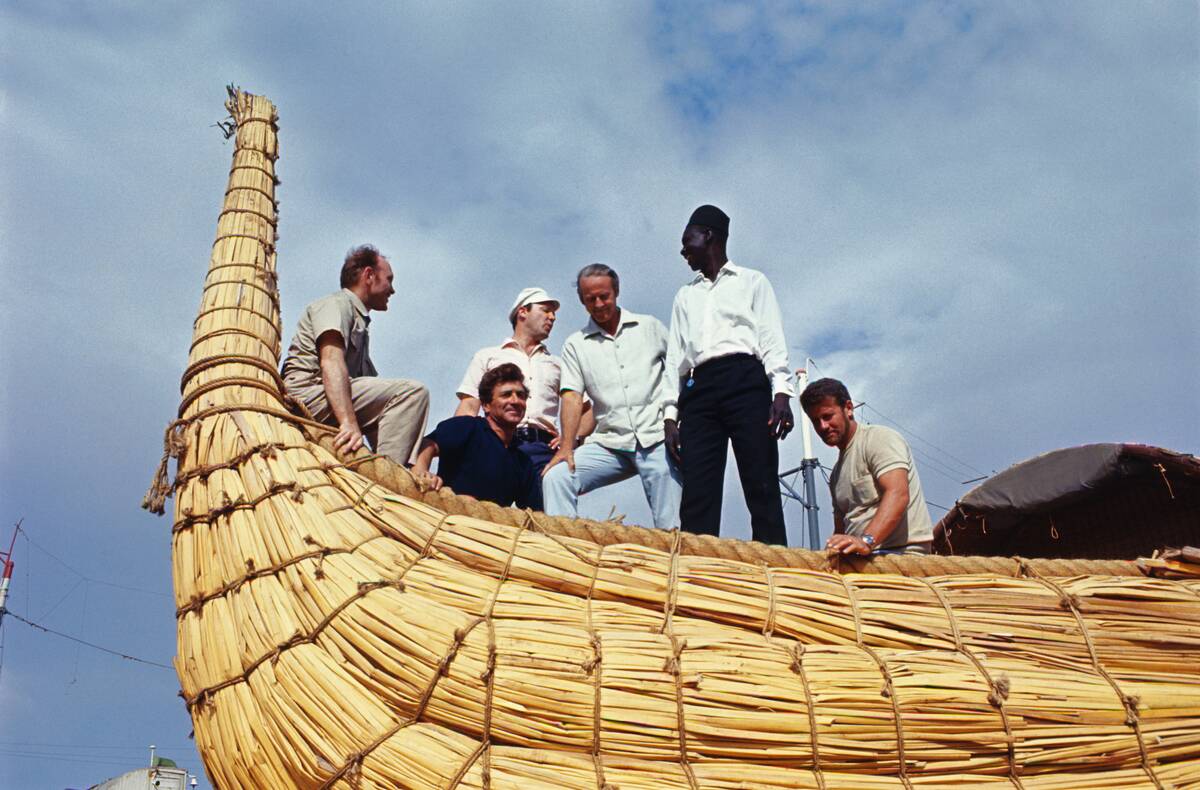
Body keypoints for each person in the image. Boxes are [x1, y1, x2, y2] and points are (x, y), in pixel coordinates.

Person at [663, 205, 795, 544]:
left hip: (745, 381)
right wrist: (670, 416)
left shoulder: (752, 282)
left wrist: (780, 393)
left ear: (707, 235)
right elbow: (675, 358)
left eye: (686, 240)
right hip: (698, 389)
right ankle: (697, 574)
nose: (682, 250)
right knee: (698, 493)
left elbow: (771, 340)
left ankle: (774, 571)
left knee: (761, 481)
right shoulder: (685, 295)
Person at [543, 264, 682, 529]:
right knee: (557, 476)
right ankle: (564, 550)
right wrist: (566, 448)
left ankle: (674, 565)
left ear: (616, 292)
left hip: (656, 438)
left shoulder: (649, 326)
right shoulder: (576, 344)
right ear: (582, 301)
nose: (598, 304)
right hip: (610, 443)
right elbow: (571, 396)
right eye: (589, 299)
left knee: (672, 522)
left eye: (603, 296)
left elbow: (679, 371)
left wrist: (678, 421)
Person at [282, 244, 429, 464]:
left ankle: (390, 470)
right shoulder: (336, 304)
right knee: (412, 393)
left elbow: (382, 407)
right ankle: (389, 477)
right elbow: (330, 362)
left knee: (401, 399)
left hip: (328, 399)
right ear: (369, 275)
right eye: (389, 279)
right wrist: (349, 424)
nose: (392, 289)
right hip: (307, 395)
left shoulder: (361, 328)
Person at [456, 287, 590, 475]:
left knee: (544, 501)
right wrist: (459, 446)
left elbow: (585, 410)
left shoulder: (559, 364)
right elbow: (469, 407)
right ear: (523, 312)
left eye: (553, 313)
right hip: (493, 443)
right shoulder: (488, 356)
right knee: (482, 502)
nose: (552, 317)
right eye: (545, 310)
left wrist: (571, 440)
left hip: (543, 450)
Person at [799, 378, 934, 555]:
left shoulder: (879, 439)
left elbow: (898, 494)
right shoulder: (836, 476)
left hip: (901, 554)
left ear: (848, 408)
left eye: (827, 416)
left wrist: (866, 541)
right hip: (861, 559)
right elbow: (841, 531)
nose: (823, 426)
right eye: (816, 421)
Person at [412, 363, 542, 509]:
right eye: (506, 395)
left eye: (521, 395)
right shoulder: (467, 427)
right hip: (448, 517)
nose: (515, 401)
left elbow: (534, 514)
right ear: (486, 405)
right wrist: (422, 471)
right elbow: (429, 444)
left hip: (490, 526)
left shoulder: (523, 460)